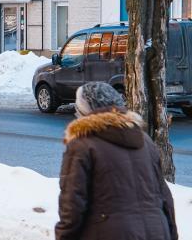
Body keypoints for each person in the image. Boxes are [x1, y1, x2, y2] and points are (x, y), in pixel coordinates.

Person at [55, 82, 177, 240]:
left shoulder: (82, 145)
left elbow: (72, 204)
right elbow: (165, 197)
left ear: (84, 111)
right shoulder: (145, 141)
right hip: (158, 231)